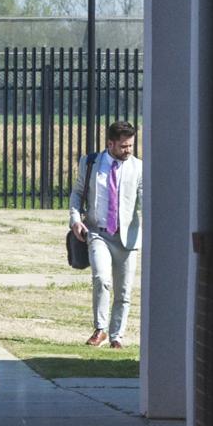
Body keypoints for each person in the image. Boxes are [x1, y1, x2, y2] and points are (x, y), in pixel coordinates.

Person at [68, 120, 144, 349]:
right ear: (110, 143)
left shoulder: (138, 168)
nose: (128, 150)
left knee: (124, 291)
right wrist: (75, 220)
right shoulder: (90, 163)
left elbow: (145, 200)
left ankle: (116, 336)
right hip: (98, 232)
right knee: (101, 278)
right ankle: (100, 329)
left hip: (126, 236)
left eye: (130, 145)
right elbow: (77, 193)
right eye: (123, 146)